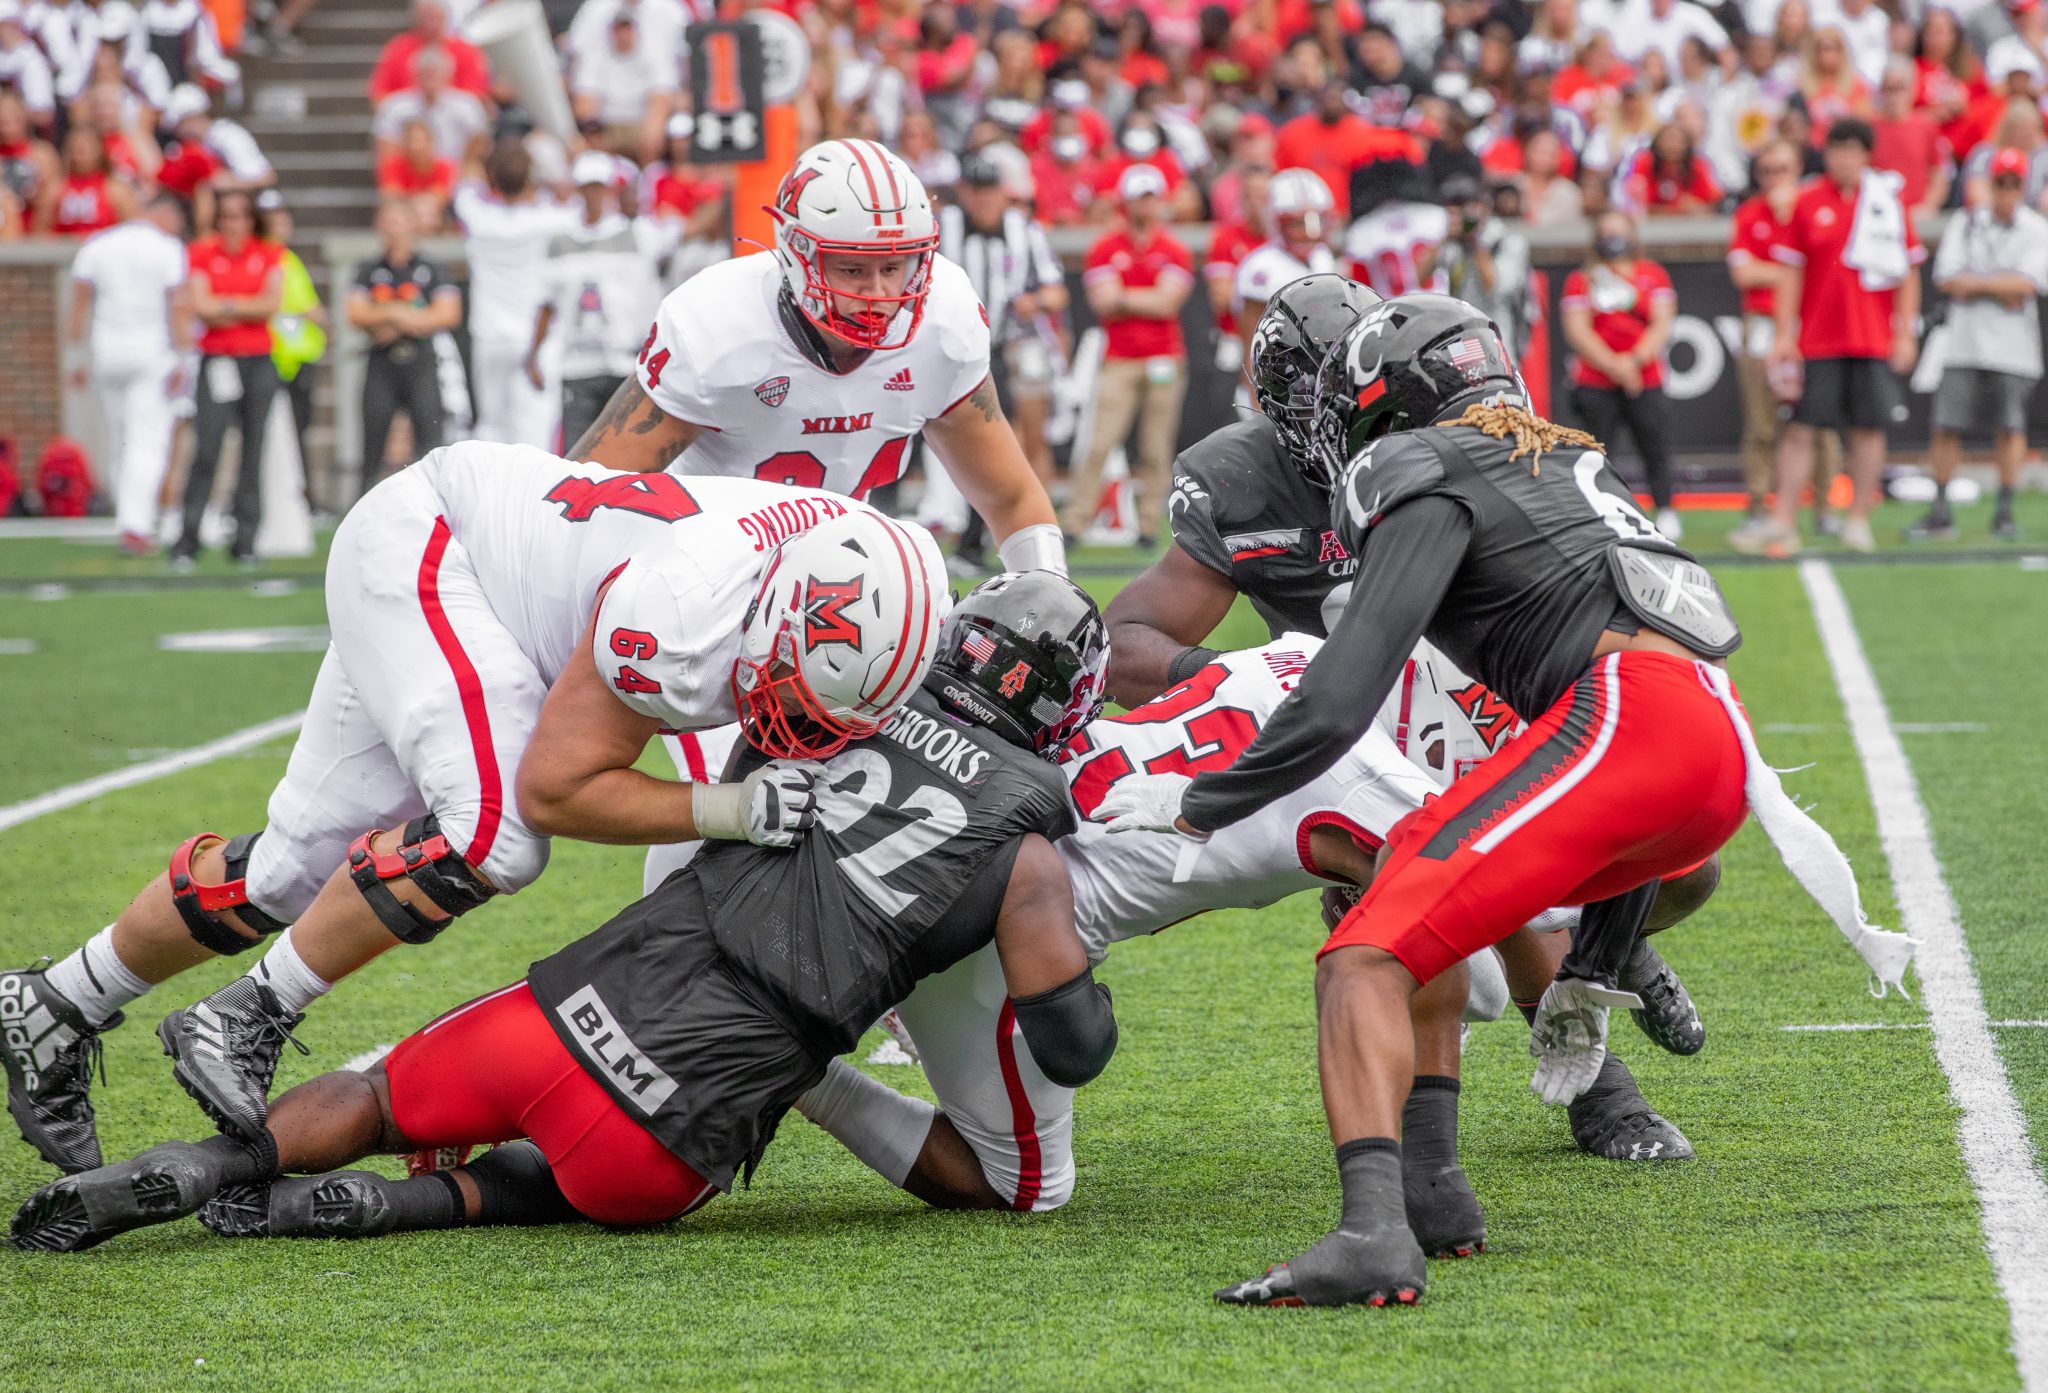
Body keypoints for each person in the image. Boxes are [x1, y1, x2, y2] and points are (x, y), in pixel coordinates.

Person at [1090, 293, 1910, 1307]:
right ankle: (1437, 1186)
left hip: (1580, 720)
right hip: (1690, 729)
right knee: (1426, 873)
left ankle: (1372, 1233)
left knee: (1366, 950)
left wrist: (1201, 806)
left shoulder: (1418, 462)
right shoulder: (1550, 452)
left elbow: (1340, 693)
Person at [11, 575, 1110, 1252]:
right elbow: (1071, 1040)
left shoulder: (832, 702)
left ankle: (198, 1170)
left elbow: (738, 786)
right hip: (673, 1143)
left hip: (567, 1012)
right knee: (545, 1182)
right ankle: (401, 1210)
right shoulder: (1022, 852)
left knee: (382, 1091)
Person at [2, 446, 949, 1176]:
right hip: (437, 550)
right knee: (497, 832)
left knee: (293, 867)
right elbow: (559, 787)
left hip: (489, 580)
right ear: (775, 607)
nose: (794, 714)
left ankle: (51, 1005)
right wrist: (731, 805)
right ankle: (250, 1011)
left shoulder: (888, 589)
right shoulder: (683, 613)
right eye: (789, 679)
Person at [1104, 276, 1714, 1164]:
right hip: (1352, 728)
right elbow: (1126, 643)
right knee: (1434, 870)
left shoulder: (1457, 448)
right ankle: (1525, 1123)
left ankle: (1599, 956)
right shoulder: (1242, 480)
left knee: (1689, 871)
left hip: (1495, 695)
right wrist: (1249, 674)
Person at [567, 139, 1065, 582]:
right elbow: (583, 497)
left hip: (840, 585)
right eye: (852, 268)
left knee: (924, 579)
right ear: (796, 253)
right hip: (700, 579)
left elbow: (1012, 498)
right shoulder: (717, 322)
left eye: (894, 267)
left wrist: (1050, 595)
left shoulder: (944, 320)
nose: (880, 294)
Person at [1738, 117, 1924, 557]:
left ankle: (1858, 520)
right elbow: (1790, 273)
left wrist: (1905, 333)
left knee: (1868, 430)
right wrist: (1786, 334)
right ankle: (1783, 520)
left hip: (1873, 336)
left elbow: (1908, 271)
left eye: (1852, 149)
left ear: (1865, 155)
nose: (1844, 158)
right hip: (1818, 338)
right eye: (1837, 149)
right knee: (1800, 428)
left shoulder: (1886, 202)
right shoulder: (1806, 201)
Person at [934, 153, 1068, 567]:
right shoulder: (945, 228)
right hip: (945, 349)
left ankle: (996, 538)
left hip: (1004, 350)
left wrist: (1036, 301)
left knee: (1005, 440)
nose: (983, 200)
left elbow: (1056, 292)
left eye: (990, 190)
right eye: (975, 190)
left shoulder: (1023, 230)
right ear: (964, 193)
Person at [1911, 146, 2048, 542]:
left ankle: (2004, 510)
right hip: (1964, 341)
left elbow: (2026, 285)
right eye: (2000, 182)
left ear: (2022, 185)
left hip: (2013, 346)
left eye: (2013, 183)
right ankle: (1940, 508)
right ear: (1990, 183)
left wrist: (1977, 283)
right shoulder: (1967, 222)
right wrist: (1999, 285)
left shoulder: (2036, 228)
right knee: (1946, 425)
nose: (2006, 190)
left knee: (2010, 426)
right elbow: (1948, 278)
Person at [1065, 163, 1193, 547]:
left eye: (1150, 196)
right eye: (1139, 196)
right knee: (1100, 441)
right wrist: (1146, 298)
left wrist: (1125, 297)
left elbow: (1168, 303)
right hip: (1120, 358)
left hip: (1164, 358)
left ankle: (1149, 524)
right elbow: (1103, 303)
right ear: (1124, 201)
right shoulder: (1105, 247)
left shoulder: (1174, 248)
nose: (1145, 204)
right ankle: (1075, 521)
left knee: (1157, 446)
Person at [64, 189, 191, 554]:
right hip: (151, 352)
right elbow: (177, 307)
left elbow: (78, 308)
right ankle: (136, 524)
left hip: (107, 352)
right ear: (165, 215)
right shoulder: (167, 249)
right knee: (146, 440)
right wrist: (183, 357)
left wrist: (76, 358)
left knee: (120, 436)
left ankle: (129, 516)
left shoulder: (98, 244)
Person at [525, 152, 675, 456]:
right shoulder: (560, 241)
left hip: (627, 362)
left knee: (628, 451)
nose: (594, 195)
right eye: (587, 188)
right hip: (578, 363)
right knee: (577, 454)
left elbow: (684, 232)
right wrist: (533, 354)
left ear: (610, 190)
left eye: (599, 187)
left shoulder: (638, 234)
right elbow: (547, 303)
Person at [1726, 140, 1843, 527]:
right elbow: (1744, 273)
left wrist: (1779, 270)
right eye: (1767, 170)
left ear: (1798, 170)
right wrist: (1794, 271)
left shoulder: (1814, 210)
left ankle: (1824, 504)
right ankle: (1759, 502)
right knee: (1761, 422)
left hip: (1811, 325)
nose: (1776, 178)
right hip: (1761, 323)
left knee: (1821, 420)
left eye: (1783, 169)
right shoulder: (1749, 214)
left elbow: (1828, 269)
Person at [174, 187, 284, 567]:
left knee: (253, 451)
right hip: (218, 358)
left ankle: (246, 540)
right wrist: (243, 306)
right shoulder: (203, 253)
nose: (233, 224)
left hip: (257, 360)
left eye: (240, 215)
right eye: (226, 216)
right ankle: (187, 539)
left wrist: (227, 305)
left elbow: (272, 303)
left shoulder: (268, 253)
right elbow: (200, 305)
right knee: (206, 449)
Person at [1561, 209, 1682, 540]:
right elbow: (1578, 331)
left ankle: (1666, 508)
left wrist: (1635, 360)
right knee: (1597, 451)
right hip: (1594, 380)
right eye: (1607, 231)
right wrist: (1614, 365)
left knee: (1654, 443)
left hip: (1646, 378)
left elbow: (1662, 323)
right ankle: (1600, 513)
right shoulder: (1581, 279)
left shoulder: (1652, 274)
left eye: (1620, 230)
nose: (1614, 238)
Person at [456, 141, 578, 449]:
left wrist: (480, 154)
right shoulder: (551, 220)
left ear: (494, 180)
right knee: (535, 429)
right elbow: (578, 203)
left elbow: (465, 182)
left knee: (491, 427)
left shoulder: (479, 218)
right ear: (530, 180)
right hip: (537, 339)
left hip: (491, 336)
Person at [348, 198, 459, 500]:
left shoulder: (431, 268)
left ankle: (436, 507)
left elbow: (448, 314)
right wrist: (404, 314)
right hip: (382, 362)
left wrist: (387, 317)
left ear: (412, 225)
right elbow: (356, 314)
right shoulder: (369, 269)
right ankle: (362, 508)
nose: (393, 229)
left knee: (430, 443)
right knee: (372, 443)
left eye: (399, 221)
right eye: (387, 221)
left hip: (421, 361)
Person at [1232, 167, 1336, 360]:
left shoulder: (1322, 257)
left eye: (1316, 221)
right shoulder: (1261, 268)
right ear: (1275, 223)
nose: (1308, 232)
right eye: (1296, 223)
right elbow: (1252, 346)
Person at [263, 193, 326, 504]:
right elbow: (305, 308)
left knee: (296, 433)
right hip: (274, 359)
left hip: (298, 357)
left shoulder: (288, 259)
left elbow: (311, 308)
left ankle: (302, 497)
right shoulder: (268, 260)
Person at [1434, 172, 1530, 364]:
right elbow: (1420, 278)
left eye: (1469, 207)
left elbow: (1494, 287)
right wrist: (1446, 237)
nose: (1463, 215)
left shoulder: (1506, 240)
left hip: (1497, 340)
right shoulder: (1453, 242)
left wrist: (1477, 241)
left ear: (1486, 206)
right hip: (1459, 339)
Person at [366, 0, 488, 103]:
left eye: (435, 18)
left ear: (445, 17)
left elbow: (476, 94)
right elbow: (379, 94)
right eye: (427, 18)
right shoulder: (398, 48)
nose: (431, 24)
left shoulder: (465, 51)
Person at [38, 120, 129, 234]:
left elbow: (131, 229)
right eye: (75, 148)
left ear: (99, 150)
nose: (80, 154)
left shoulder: (116, 189)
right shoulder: (55, 189)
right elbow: (40, 231)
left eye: (86, 148)